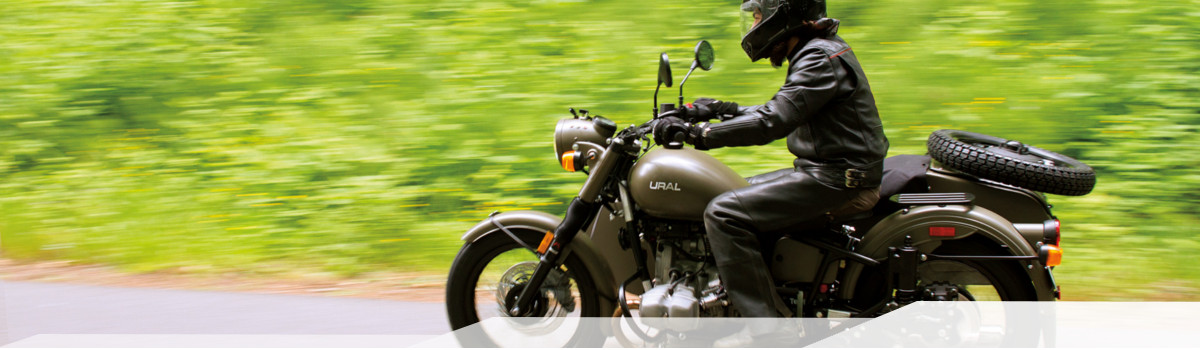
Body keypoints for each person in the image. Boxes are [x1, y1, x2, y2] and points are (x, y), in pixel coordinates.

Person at [651, 0, 889, 339]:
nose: (753, 27)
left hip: (838, 179)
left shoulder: (818, 57)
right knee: (737, 191)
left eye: (759, 16)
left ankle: (770, 335)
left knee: (724, 213)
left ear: (785, 15)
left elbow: (772, 121)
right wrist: (721, 110)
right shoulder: (818, 51)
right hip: (829, 171)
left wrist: (699, 135)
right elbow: (782, 109)